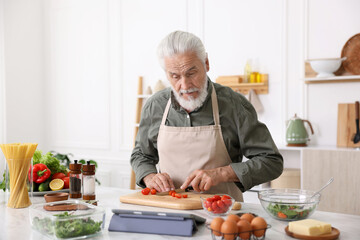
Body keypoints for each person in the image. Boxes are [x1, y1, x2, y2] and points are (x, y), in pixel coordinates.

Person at [130, 30, 283, 201]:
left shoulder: (235, 105)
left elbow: (271, 162)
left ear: (206, 63)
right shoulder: (155, 106)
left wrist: (222, 173)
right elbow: (141, 155)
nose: (185, 85)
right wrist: (149, 176)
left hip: (222, 216)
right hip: (169, 211)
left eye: (191, 73)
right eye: (175, 76)